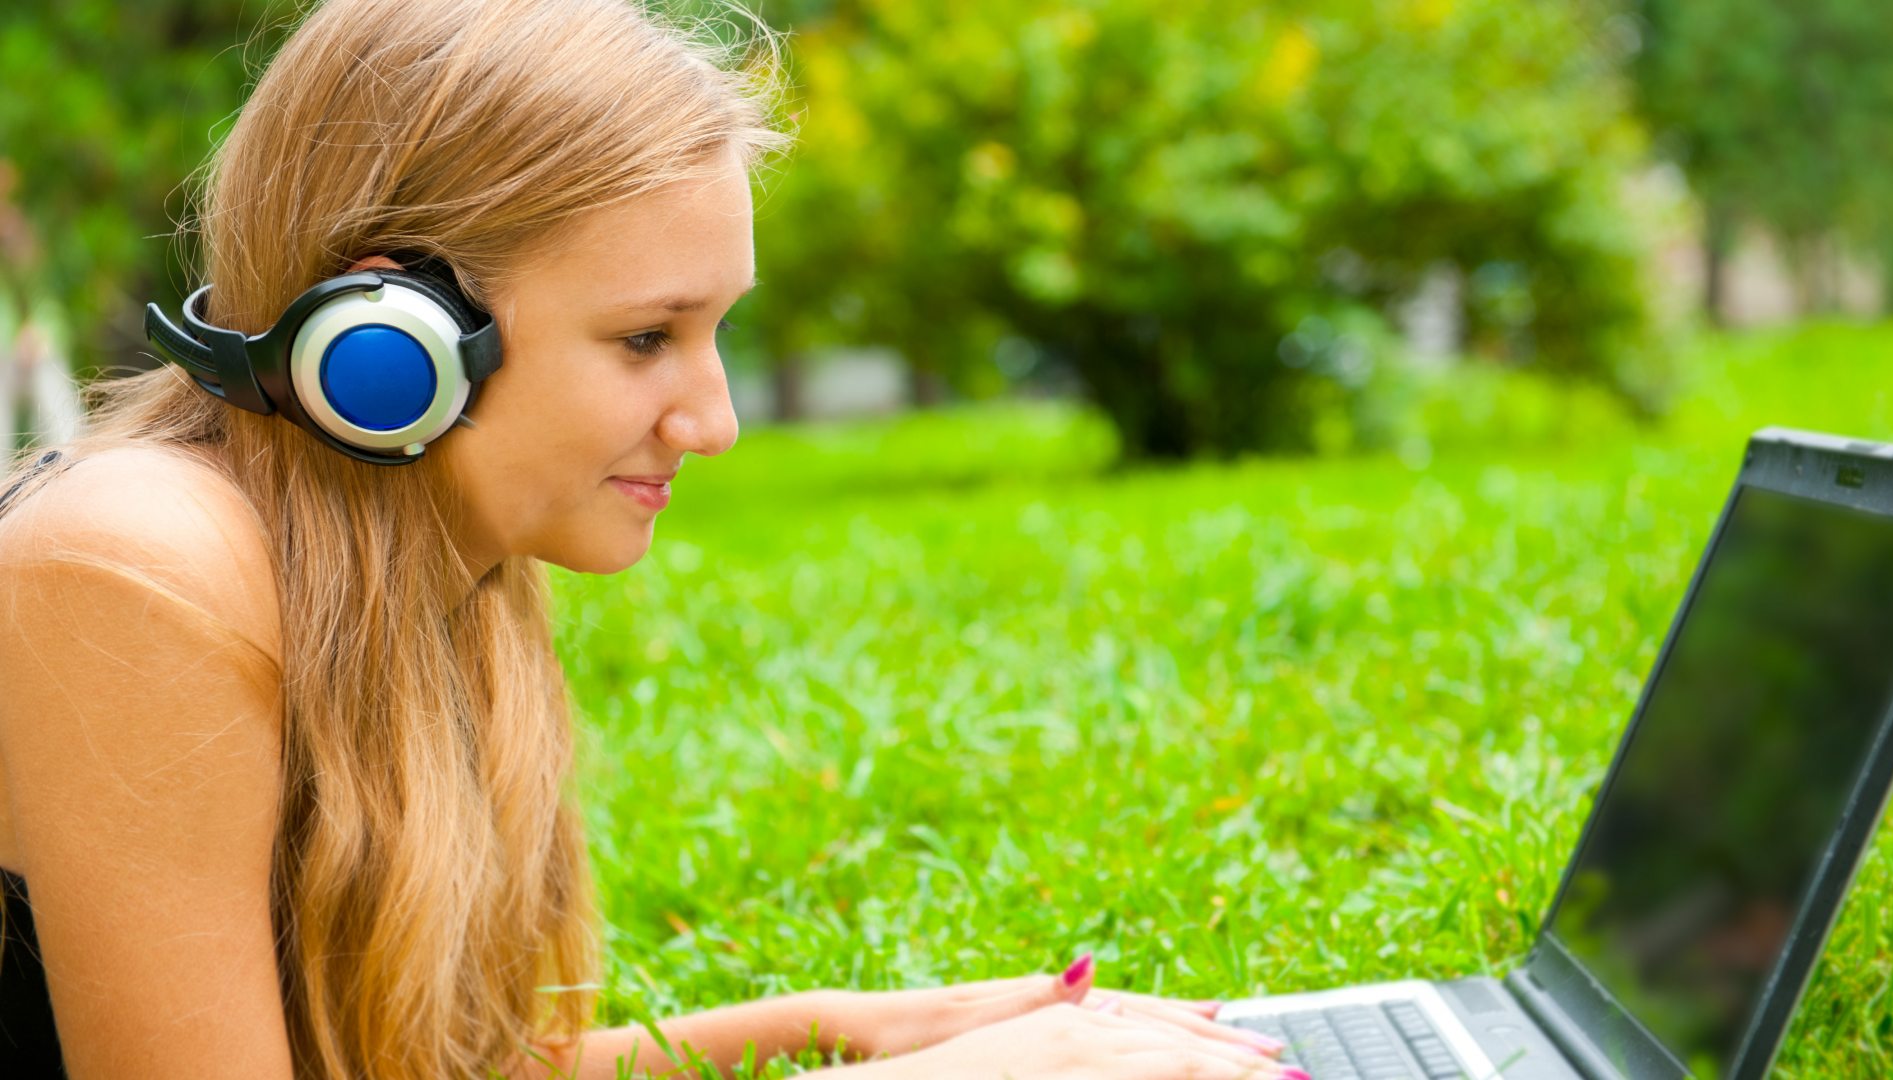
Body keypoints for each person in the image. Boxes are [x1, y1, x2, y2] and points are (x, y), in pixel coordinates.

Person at [0, 2, 1311, 1078]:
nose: (716, 419)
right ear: (385, 350)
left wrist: (849, 1032)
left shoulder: (434, 560)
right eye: (646, 338)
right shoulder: (129, 574)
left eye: (717, 331)